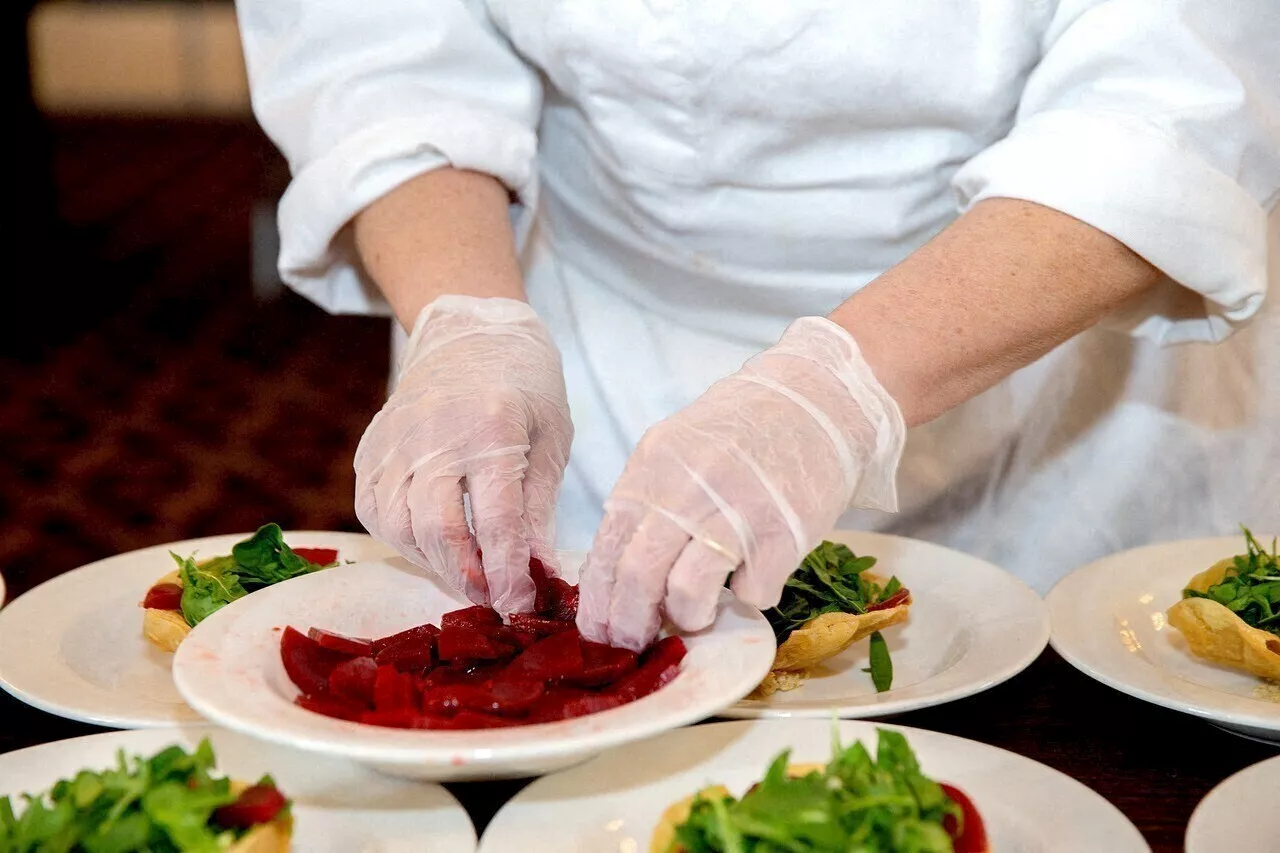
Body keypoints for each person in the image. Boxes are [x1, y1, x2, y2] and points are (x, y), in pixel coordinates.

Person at [235, 1, 1280, 651]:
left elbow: (1167, 108)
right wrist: (467, 322)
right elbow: (382, 47)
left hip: (1050, 341)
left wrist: (830, 390)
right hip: (595, 341)